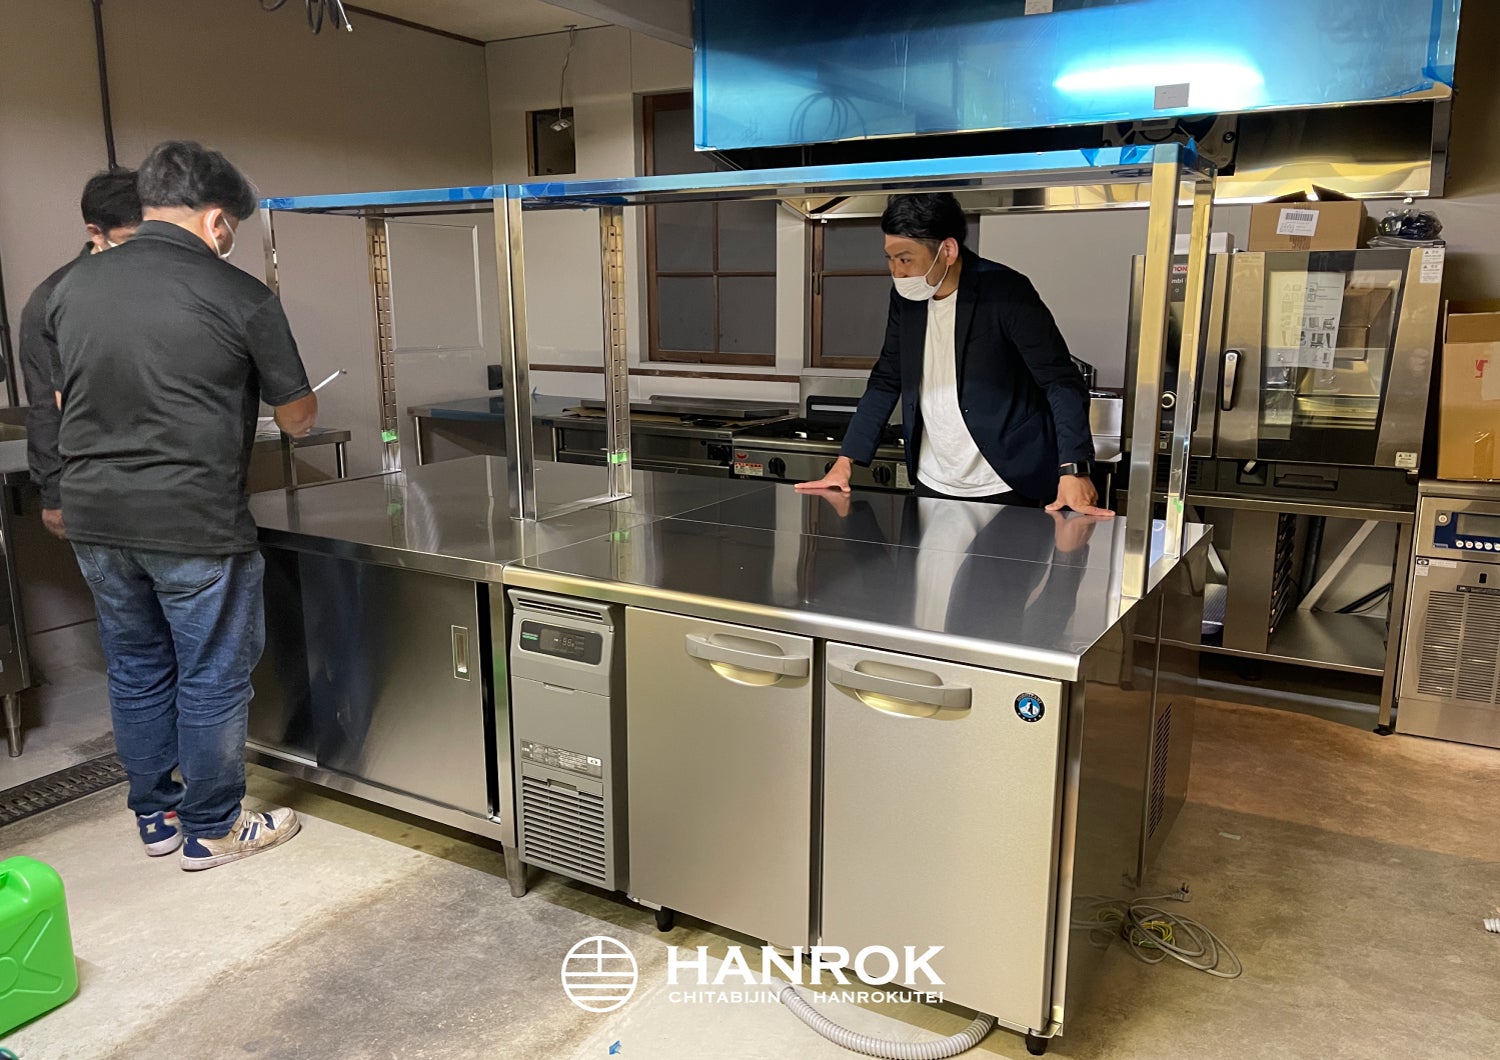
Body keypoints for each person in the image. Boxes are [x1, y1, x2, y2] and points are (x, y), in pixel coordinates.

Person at [45, 141, 318, 870]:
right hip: (192, 519)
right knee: (212, 675)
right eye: (232, 229)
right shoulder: (240, 295)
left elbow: (66, 400)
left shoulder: (72, 287)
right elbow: (297, 419)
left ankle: (156, 816)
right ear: (217, 220)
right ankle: (213, 827)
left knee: (136, 667)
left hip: (96, 517)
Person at [796, 192, 1111, 515]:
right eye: (889, 259)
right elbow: (886, 379)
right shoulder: (906, 299)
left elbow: (1060, 381)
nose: (896, 272)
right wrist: (846, 460)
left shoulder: (1006, 291)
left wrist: (1073, 469)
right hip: (932, 481)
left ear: (947, 250)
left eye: (904, 259)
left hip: (1003, 480)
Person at [19, 169, 143, 539]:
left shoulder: (167, 283)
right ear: (96, 232)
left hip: (176, 486)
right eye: (131, 239)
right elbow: (46, 404)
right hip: (99, 488)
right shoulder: (53, 299)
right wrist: (53, 492)